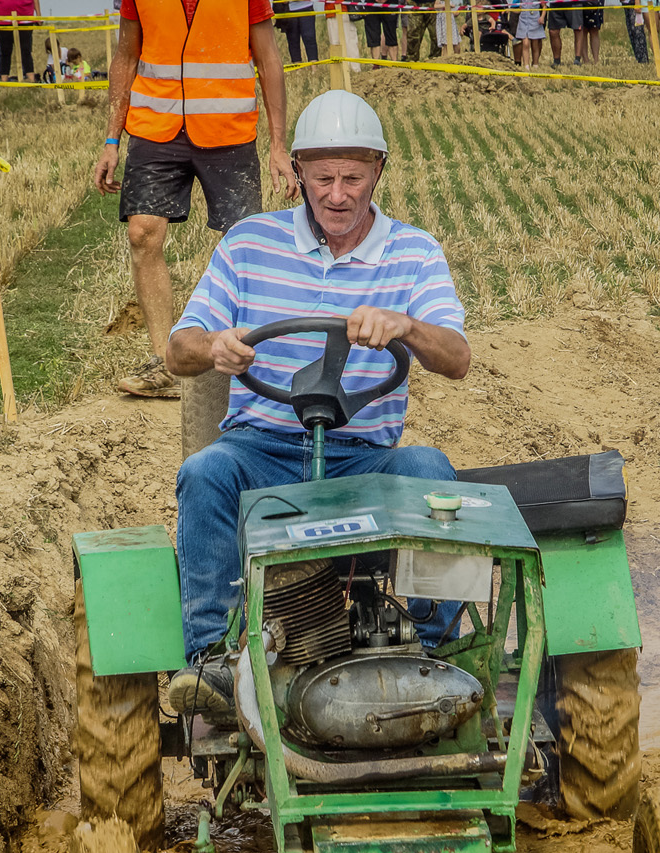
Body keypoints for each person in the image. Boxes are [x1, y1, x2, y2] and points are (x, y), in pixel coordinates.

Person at [162, 90, 471, 713]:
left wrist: (406, 326)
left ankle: (435, 653)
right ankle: (214, 664)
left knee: (431, 471)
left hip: (364, 459)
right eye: (323, 176)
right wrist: (215, 346)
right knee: (204, 472)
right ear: (297, 170)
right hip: (262, 452)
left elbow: (457, 358)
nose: (337, 194)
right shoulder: (248, 244)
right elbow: (179, 349)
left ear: (377, 172)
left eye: (353, 177)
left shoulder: (414, 252)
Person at [95, 0, 297, 412]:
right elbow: (126, 55)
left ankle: (243, 354)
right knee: (142, 232)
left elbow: (269, 59)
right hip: (155, 127)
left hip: (228, 131)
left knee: (245, 244)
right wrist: (111, 139)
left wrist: (278, 145)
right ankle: (164, 362)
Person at [0, 0, 38, 80]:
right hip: (2, 18)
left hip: (25, 16)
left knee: (26, 49)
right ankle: (4, 79)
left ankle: (31, 79)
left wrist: (38, 15)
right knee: (5, 50)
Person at [514, 0, 546, 66]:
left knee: (535, 44)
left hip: (535, 21)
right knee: (525, 44)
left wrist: (542, 17)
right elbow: (520, 9)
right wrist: (510, 10)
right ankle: (526, 65)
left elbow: (544, 6)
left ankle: (535, 64)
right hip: (523, 21)